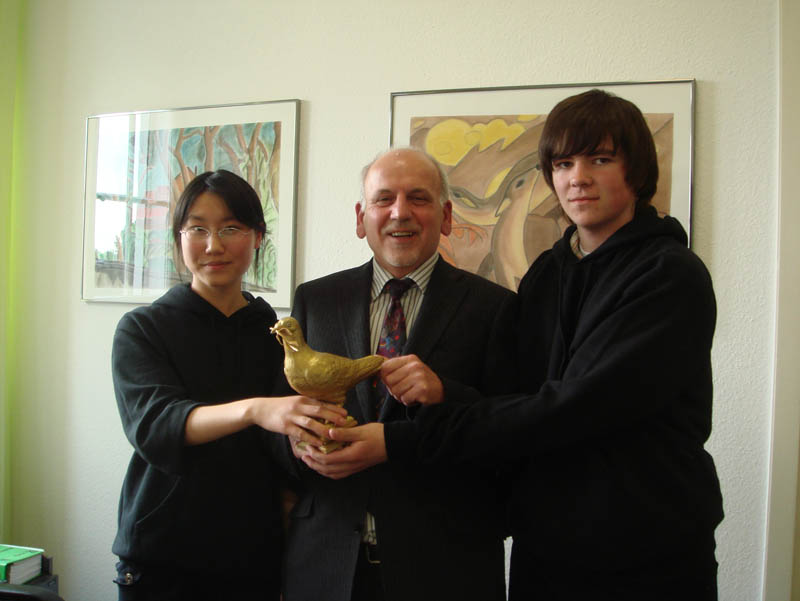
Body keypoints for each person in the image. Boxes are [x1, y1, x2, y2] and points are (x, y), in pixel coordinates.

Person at [321, 91, 725, 601]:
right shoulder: (548, 273)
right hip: (547, 547)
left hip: (646, 548)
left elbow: (577, 407)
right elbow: (516, 396)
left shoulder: (669, 275)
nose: (578, 178)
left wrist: (399, 441)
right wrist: (446, 394)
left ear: (637, 170)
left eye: (600, 159)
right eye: (564, 163)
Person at [283, 148, 517, 601]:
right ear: (361, 218)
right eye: (384, 199)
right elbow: (282, 411)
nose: (399, 212)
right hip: (326, 565)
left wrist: (445, 393)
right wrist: (298, 439)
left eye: (418, 198)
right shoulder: (315, 300)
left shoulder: (495, 308)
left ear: (446, 217)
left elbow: (509, 432)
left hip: (446, 567)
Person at [110, 169, 347, 601]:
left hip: (252, 556)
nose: (213, 245)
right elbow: (155, 425)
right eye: (197, 229)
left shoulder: (273, 333)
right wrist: (257, 410)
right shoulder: (143, 329)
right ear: (179, 238)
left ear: (258, 237)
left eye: (231, 228)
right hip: (164, 556)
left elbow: (282, 448)